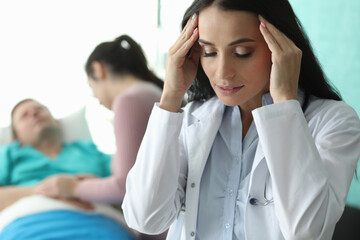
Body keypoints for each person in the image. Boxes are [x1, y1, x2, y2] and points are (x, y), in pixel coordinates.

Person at [121, 0, 360, 240]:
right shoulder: (191, 118)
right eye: (209, 52)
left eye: (241, 53)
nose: (223, 72)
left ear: (281, 48)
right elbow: (145, 219)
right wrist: (170, 98)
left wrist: (285, 105)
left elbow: (307, 232)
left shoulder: (334, 121)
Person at [36, 35, 167, 240]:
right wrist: (99, 185)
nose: (96, 98)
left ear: (99, 69)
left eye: (91, 87)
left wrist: (73, 188)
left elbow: (125, 187)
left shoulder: (128, 101)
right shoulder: (151, 92)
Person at [0, 98, 136, 239]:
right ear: (16, 137)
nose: (34, 114)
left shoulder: (88, 150)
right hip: (27, 226)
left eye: (39, 109)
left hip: (101, 223)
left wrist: (98, 188)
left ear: (57, 123)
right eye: (24, 116)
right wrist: (43, 190)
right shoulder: (7, 154)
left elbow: (130, 187)